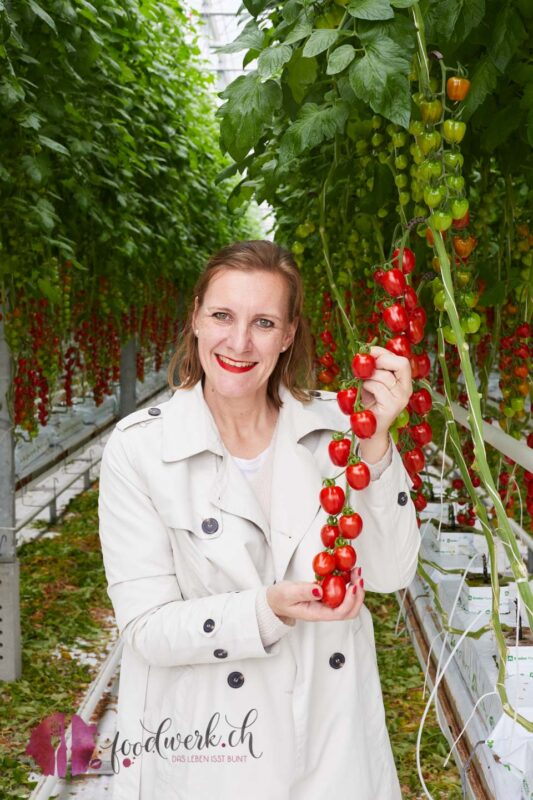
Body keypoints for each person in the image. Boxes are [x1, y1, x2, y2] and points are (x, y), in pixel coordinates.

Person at [98, 240, 420, 800]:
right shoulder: (142, 449)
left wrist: (378, 441)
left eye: (264, 322)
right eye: (223, 315)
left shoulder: (337, 430)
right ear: (196, 316)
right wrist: (263, 610)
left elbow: (392, 573)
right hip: (216, 751)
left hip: (332, 747)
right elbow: (146, 629)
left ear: (289, 334)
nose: (239, 342)